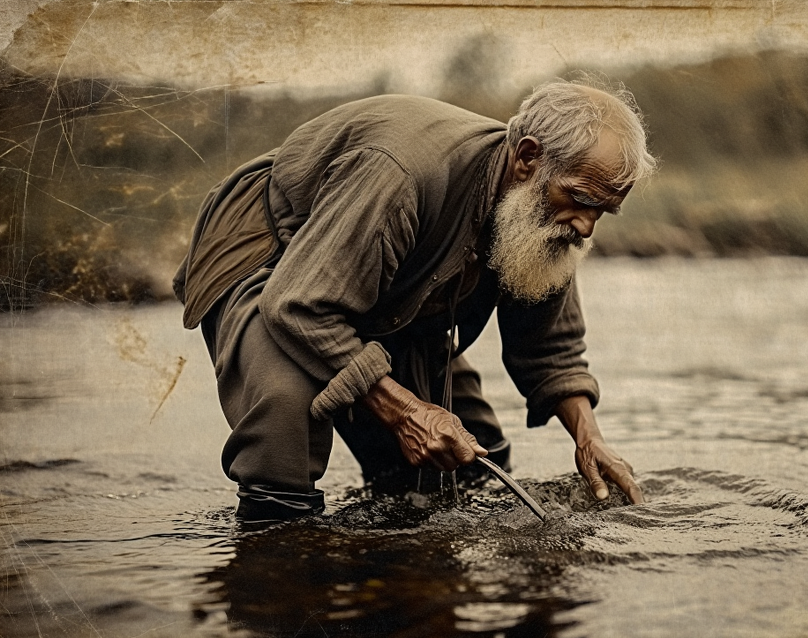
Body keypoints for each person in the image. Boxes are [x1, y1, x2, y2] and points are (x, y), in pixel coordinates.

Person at [172, 79, 656, 520]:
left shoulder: (544, 209)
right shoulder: (400, 172)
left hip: (387, 285)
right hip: (278, 256)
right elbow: (299, 305)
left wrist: (589, 438)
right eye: (581, 200)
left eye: (605, 211)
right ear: (527, 158)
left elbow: (550, 346)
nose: (586, 225)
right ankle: (278, 573)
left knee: (472, 459)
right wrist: (405, 411)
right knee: (285, 416)